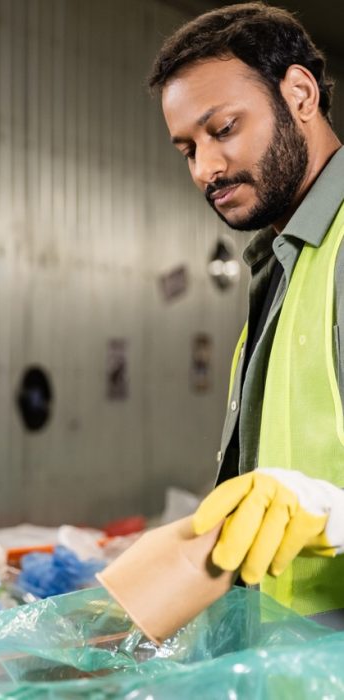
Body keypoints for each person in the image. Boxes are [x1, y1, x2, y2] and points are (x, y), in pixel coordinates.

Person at [148, 3, 344, 625]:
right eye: (187, 149)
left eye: (224, 128)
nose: (206, 168)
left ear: (299, 94)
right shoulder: (280, 264)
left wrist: (327, 512)